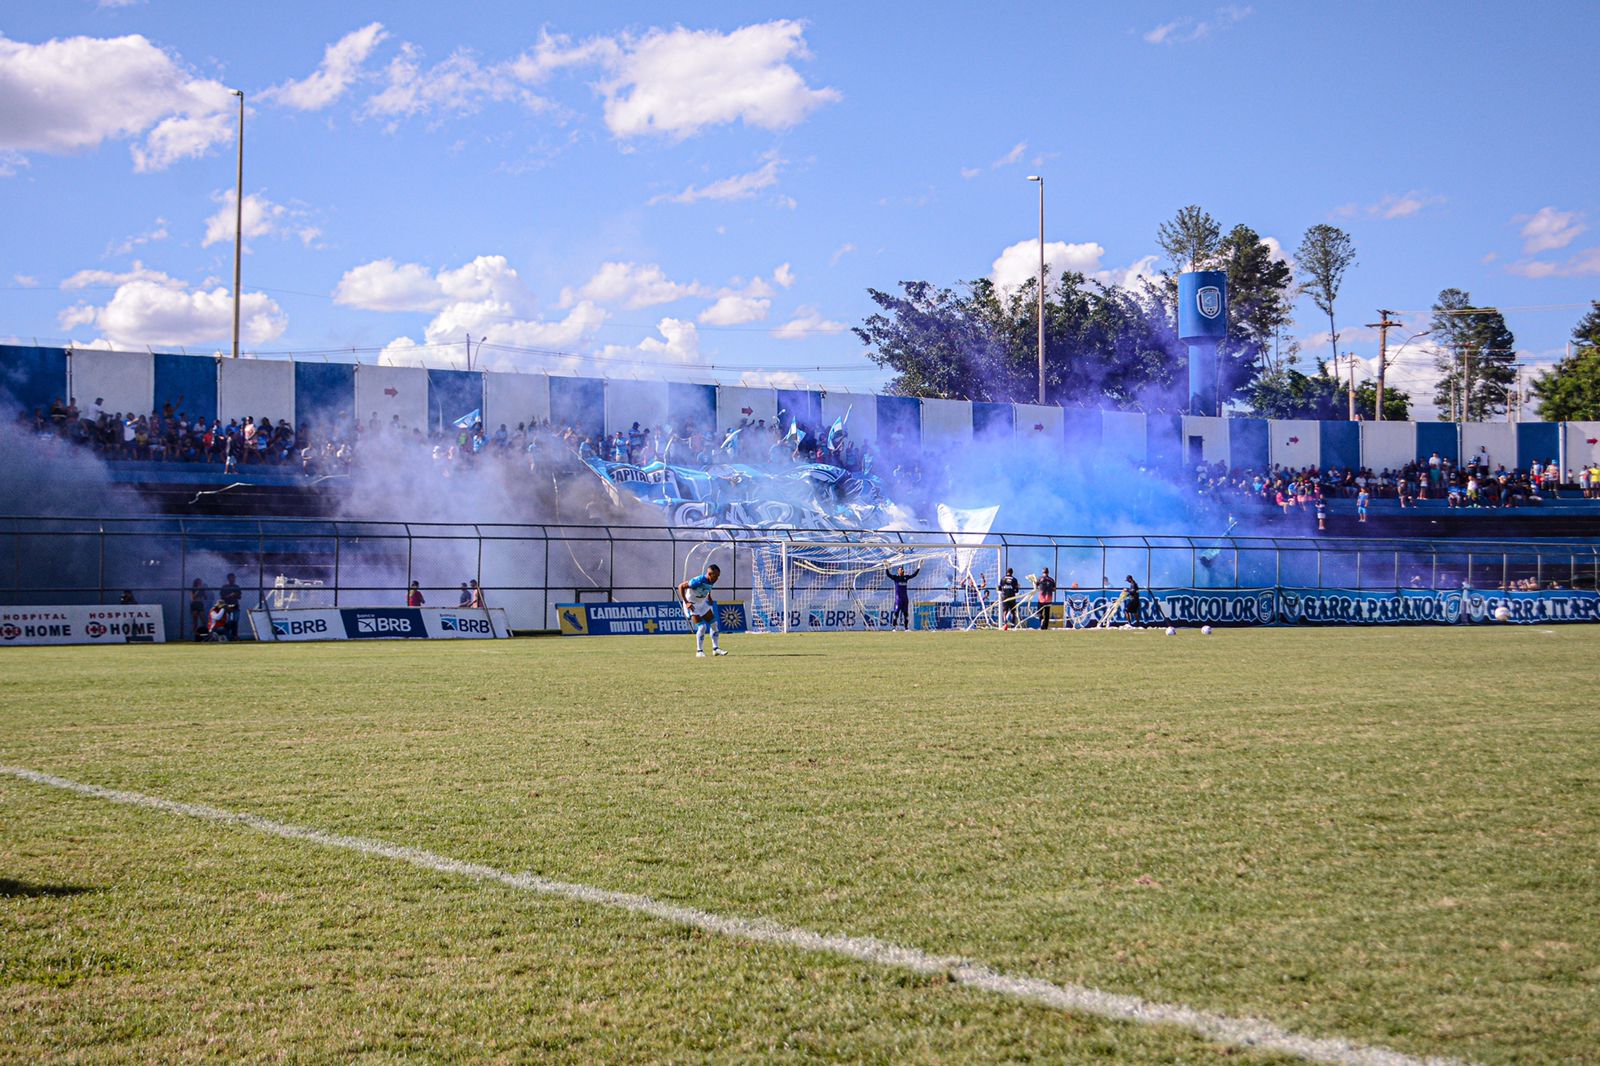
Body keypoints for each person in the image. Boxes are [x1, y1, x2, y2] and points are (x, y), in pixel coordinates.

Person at [678, 563, 727, 657]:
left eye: (718, 576)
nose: (717, 578)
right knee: (702, 627)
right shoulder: (698, 580)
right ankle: (699, 651)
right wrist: (686, 602)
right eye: (715, 576)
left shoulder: (712, 580)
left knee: (714, 624)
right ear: (709, 574)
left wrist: (709, 597)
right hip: (692, 605)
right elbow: (681, 586)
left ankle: (716, 649)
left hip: (702, 604)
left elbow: (708, 588)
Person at [886, 564, 920, 630]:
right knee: (896, 613)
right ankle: (894, 628)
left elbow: (914, 575)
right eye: (900, 569)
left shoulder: (906, 577)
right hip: (898, 599)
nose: (902, 570)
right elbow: (888, 575)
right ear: (898, 571)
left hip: (905, 599)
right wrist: (886, 567)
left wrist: (919, 566)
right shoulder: (896, 578)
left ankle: (906, 628)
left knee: (906, 614)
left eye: (902, 569)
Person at [218, 572, 242, 640]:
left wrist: (235, 595)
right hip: (227, 606)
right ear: (228, 579)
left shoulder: (236, 587)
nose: (233, 579)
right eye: (232, 578)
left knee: (235, 621)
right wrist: (229, 595)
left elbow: (239, 596)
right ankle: (226, 635)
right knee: (227, 621)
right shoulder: (224, 587)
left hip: (235, 605)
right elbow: (222, 597)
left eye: (234, 578)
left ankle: (235, 635)